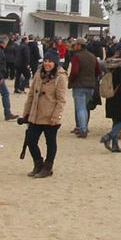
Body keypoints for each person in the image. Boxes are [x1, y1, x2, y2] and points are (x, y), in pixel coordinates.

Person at [18, 49, 68, 178]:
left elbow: (61, 100)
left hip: (50, 115)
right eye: (46, 61)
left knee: (50, 142)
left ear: (55, 63)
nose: (47, 64)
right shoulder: (38, 74)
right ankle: (38, 163)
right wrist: (26, 113)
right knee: (31, 140)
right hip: (35, 114)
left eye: (50, 61)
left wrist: (56, 116)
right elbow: (31, 95)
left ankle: (48, 166)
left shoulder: (60, 77)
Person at [100, 45, 121, 152]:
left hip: (111, 95)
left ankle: (115, 145)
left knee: (116, 121)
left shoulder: (111, 65)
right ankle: (108, 136)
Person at [67, 40, 100, 137]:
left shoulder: (77, 57)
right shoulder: (92, 56)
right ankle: (84, 126)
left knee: (80, 108)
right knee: (85, 108)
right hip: (91, 85)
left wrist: (71, 80)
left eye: (75, 45)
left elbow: (75, 71)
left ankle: (82, 129)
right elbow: (98, 71)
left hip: (79, 85)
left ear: (79, 45)